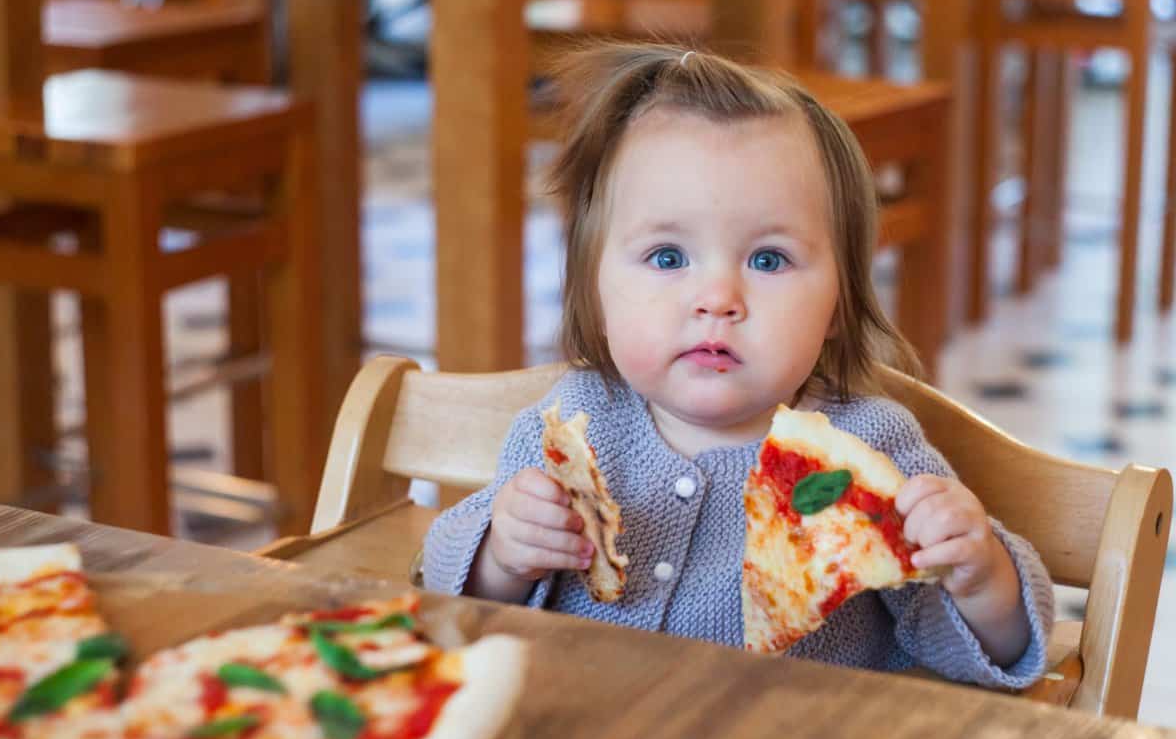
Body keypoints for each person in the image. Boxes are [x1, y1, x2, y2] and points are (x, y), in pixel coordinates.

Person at [423, 42, 1053, 688]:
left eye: (768, 260)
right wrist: (504, 555)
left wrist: (979, 578)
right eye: (668, 258)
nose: (717, 299)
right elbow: (449, 590)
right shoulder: (567, 432)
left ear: (840, 303)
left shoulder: (868, 447)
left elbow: (986, 648)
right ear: (595, 286)